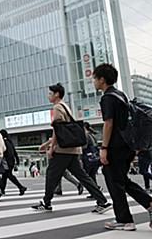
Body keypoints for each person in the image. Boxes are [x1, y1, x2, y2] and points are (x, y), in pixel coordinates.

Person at [32, 83, 111, 213]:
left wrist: (51, 148)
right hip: (73, 149)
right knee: (83, 176)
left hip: (63, 150)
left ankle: (46, 203)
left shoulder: (57, 107)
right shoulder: (65, 106)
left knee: (51, 175)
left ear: (57, 94)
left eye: (50, 94)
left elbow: (58, 130)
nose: (48, 96)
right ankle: (102, 201)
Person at [92, 63, 152, 230]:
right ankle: (149, 204)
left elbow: (108, 123)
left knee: (113, 181)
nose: (94, 82)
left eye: (95, 79)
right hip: (128, 146)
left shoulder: (107, 97)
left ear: (102, 80)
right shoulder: (121, 95)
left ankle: (124, 220)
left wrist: (103, 148)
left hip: (115, 147)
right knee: (122, 180)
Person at [0, 129, 27, 196]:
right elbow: (14, 152)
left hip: (6, 161)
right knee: (5, 176)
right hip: (11, 161)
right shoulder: (9, 141)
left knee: (9, 175)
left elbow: (3, 151)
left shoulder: (3, 142)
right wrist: (17, 160)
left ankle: (21, 187)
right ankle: (2, 190)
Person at [82, 122, 102, 196]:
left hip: (88, 158)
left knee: (87, 176)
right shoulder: (91, 134)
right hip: (94, 157)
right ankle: (95, 190)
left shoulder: (86, 135)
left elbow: (84, 146)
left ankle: (96, 189)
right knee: (92, 175)